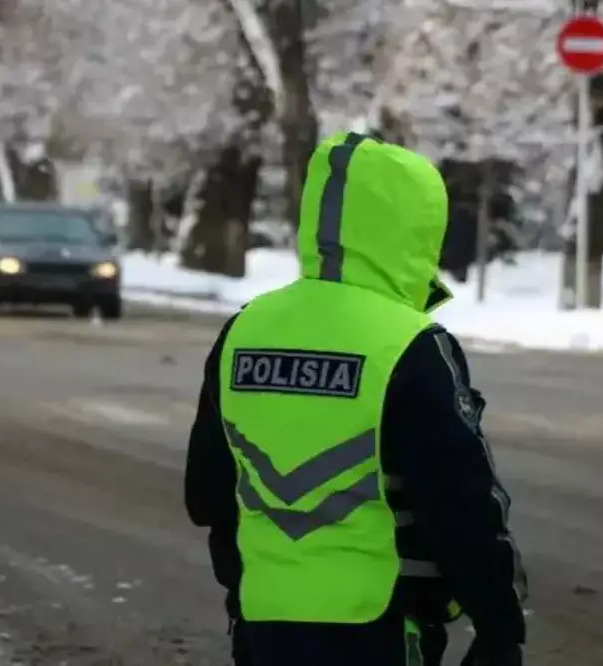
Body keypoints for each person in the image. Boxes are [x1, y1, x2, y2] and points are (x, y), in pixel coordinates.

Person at [183, 132, 527, 666]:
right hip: (382, 626)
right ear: (414, 230)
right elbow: (460, 502)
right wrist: (499, 624)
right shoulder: (409, 344)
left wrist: (244, 593)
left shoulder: (244, 330)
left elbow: (207, 493)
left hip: (265, 623)